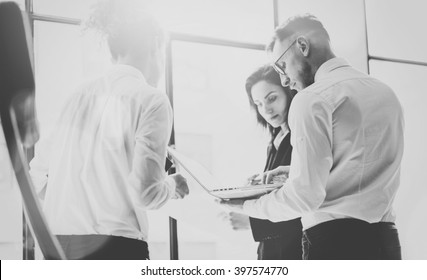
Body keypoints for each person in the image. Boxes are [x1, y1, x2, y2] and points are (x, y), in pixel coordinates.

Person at [221, 14, 404, 260]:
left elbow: (303, 197)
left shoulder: (310, 99)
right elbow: (357, 164)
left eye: (282, 66)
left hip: (335, 246)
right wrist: (294, 171)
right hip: (387, 242)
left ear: (302, 46)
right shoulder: (385, 92)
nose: (284, 79)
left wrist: (247, 206)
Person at [29, 0, 189, 260]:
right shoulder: (152, 99)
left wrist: (78, 199)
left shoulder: (76, 97)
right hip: (116, 251)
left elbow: (37, 176)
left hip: (58, 251)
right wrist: (172, 185)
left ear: (113, 54)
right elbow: (146, 195)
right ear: (154, 47)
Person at [225, 65, 301, 259]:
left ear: (288, 92)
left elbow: (302, 204)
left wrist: (251, 222)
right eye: (258, 103)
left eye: (272, 98)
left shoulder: (300, 139)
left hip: (293, 252)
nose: (265, 110)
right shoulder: (275, 142)